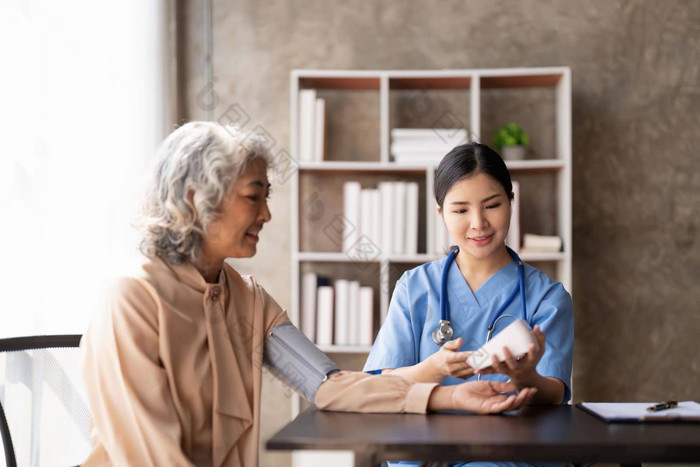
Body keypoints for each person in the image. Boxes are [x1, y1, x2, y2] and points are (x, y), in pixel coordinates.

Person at [81, 123, 537, 466]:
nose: (267, 214)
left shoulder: (248, 300)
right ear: (198, 198)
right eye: (253, 197)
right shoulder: (131, 299)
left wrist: (451, 397)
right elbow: (150, 456)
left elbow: (327, 386)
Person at [363, 142, 574, 466]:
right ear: (441, 213)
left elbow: (555, 393)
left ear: (511, 201)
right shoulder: (414, 288)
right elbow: (383, 385)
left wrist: (526, 378)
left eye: (492, 205)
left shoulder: (548, 297)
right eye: (460, 210)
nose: (478, 223)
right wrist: (434, 368)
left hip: (512, 455)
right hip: (426, 454)